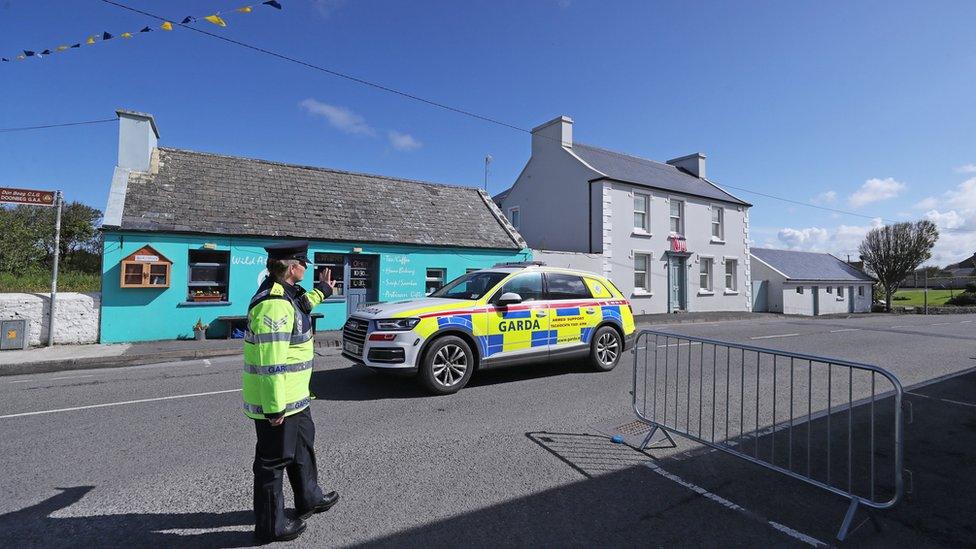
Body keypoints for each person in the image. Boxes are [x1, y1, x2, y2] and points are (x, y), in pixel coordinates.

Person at [242, 241, 339, 543]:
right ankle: (271, 525)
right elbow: (271, 363)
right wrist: (274, 409)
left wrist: (324, 290)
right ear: (292, 266)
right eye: (304, 263)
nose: (307, 267)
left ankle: (309, 498)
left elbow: (304, 305)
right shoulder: (274, 304)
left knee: (302, 450)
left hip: (296, 399)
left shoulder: (287, 294)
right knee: (273, 463)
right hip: (279, 403)